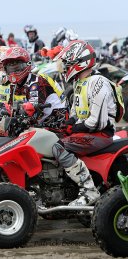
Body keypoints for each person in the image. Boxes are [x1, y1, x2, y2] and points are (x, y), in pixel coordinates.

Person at [51, 40, 120, 206]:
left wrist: (74, 127)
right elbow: (76, 112)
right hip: (87, 131)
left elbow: (97, 122)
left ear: (80, 62)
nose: (65, 68)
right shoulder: (79, 83)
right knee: (51, 137)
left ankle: (88, 189)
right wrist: (66, 123)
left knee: (58, 147)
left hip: (100, 134)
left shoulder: (98, 82)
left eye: (68, 64)